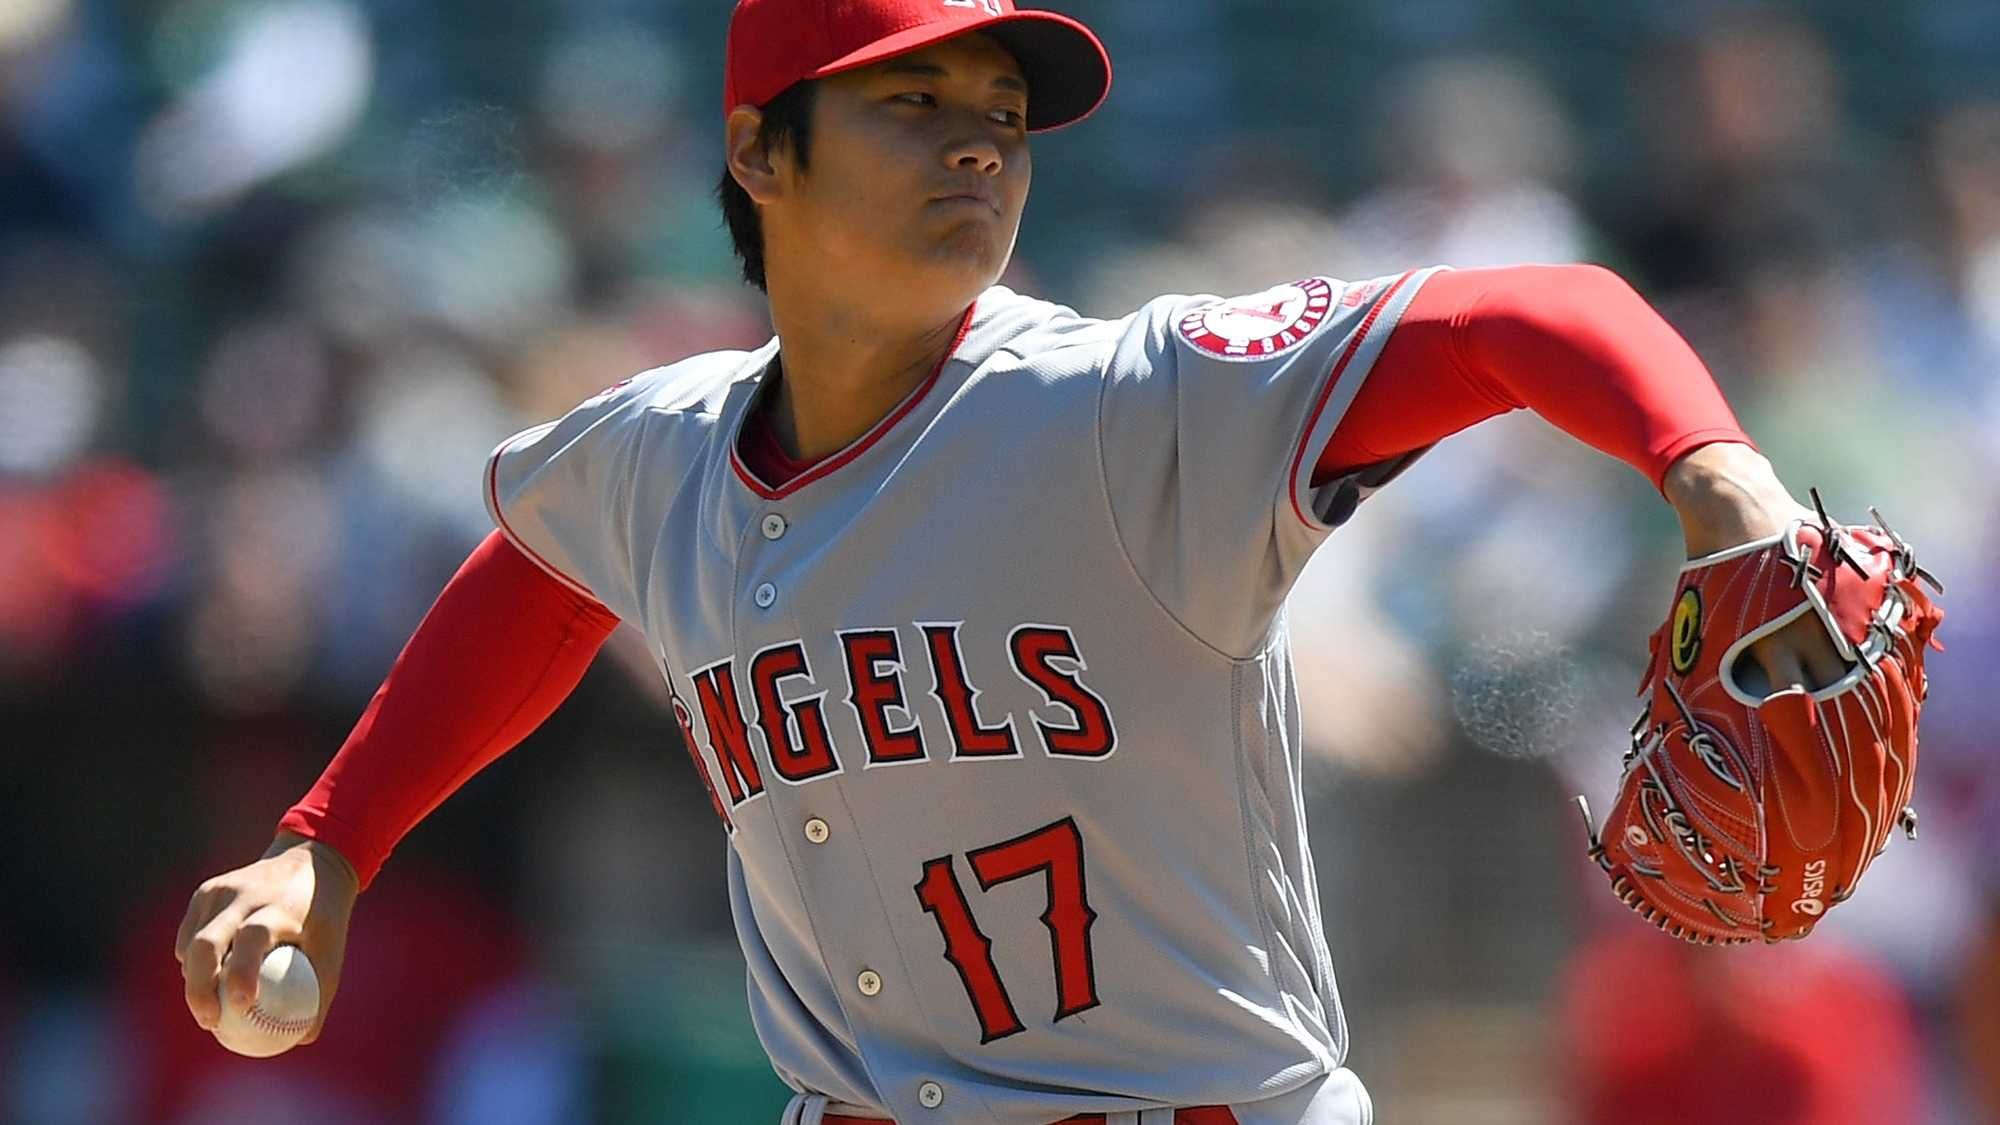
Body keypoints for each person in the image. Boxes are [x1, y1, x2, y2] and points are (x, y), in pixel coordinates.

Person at [174, 2, 1851, 1121]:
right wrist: (331, 841)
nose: (979, 142)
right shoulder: (662, 449)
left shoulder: (1133, 406)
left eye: (1001, 113)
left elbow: (1529, 311)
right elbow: (543, 571)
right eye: (913, 103)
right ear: (760, 151)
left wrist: (1711, 470)